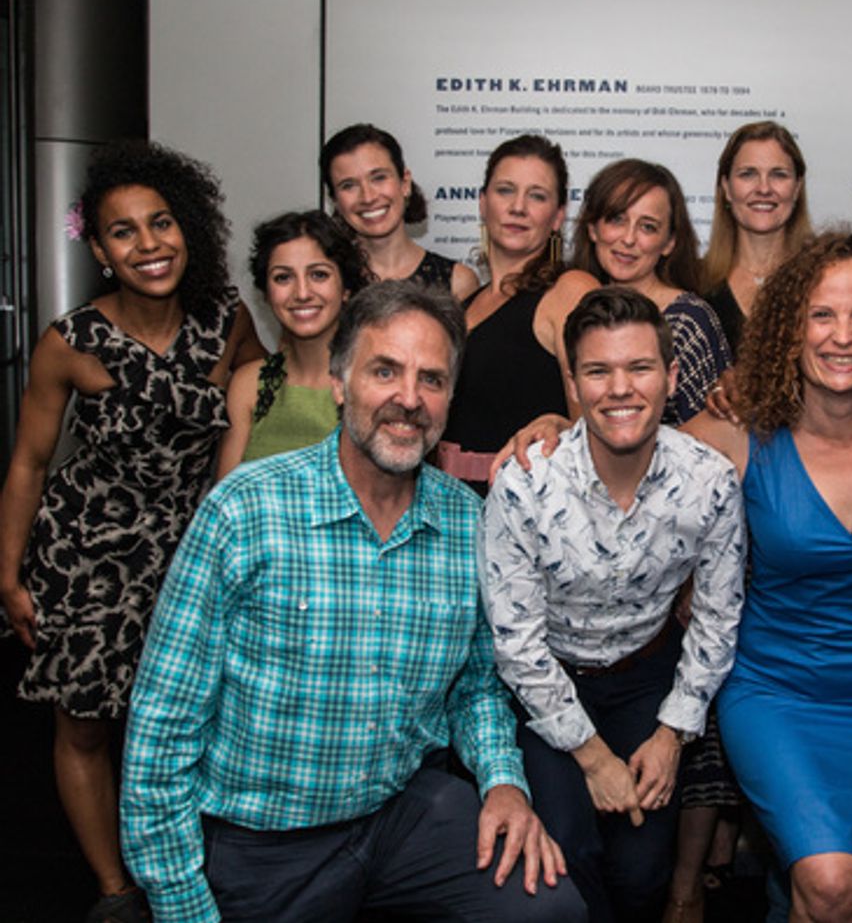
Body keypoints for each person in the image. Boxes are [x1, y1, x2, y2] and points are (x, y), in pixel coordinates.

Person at [120, 280, 585, 923]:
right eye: (385, 371)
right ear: (339, 383)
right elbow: (159, 734)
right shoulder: (246, 510)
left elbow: (476, 685)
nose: (408, 399)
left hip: (399, 815)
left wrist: (503, 780)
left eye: (431, 379)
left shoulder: (467, 524)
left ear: (450, 398)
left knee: (548, 909)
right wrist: (180, 906)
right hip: (264, 841)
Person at [0, 141, 263, 922]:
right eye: (125, 232)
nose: (149, 245)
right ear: (100, 248)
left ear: (189, 229)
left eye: (162, 223)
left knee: (187, 724)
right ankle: (116, 890)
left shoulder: (228, 322)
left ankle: (187, 868)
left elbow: (268, 403)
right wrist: (9, 575)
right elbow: (27, 465)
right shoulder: (70, 340)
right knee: (84, 725)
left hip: (191, 554)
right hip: (85, 559)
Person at [686, 232, 852, 923]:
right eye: (821, 315)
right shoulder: (741, 428)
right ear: (790, 328)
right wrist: (552, 421)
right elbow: (626, 449)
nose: (843, 335)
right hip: (779, 692)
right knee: (831, 884)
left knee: (848, 897)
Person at [482, 286, 746, 923]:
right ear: (571, 383)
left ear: (671, 375)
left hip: (645, 682)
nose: (620, 389)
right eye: (598, 371)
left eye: (640, 368)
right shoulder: (524, 484)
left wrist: (672, 735)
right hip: (547, 683)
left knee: (642, 870)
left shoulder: (710, 481)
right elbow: (515, 643)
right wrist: (593, 759)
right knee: (565, 856)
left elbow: (717, 617)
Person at [436, 134, 597, 491]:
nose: (518, 207)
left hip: (525, 509)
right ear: (482, 202)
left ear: (557, 216)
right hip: (449, 509)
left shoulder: (569, 291)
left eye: (536, 196)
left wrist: (558, 423)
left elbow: (597, 428)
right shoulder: (465, 303)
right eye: (505, 190)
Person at [571, 159, 732, 423]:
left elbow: (710, 440)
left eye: (647, 227)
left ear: (669, 242)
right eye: (617, 219)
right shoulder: (571, 308)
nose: (629, 239)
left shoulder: (688, 322)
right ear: (592, 228)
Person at [216, 210, 368, 477]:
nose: (302, 293)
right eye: (283, 277)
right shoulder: (248, 384)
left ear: (346, 288)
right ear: (265, 293)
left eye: (319, 275)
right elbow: (223, 504)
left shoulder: (374, 383)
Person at [320, 122, 477, 300]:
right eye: (349, 185)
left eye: (379, 178)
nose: (368, 197)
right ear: (335, 200)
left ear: (405, 183)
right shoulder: (325, 281)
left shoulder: (457, 282)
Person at [700, 121, 814, 354]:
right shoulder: (696, 283)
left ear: (797, 187)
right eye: (748, 174)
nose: (764, 188)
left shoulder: (822, 279)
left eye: (778, 175)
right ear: (727, 187)